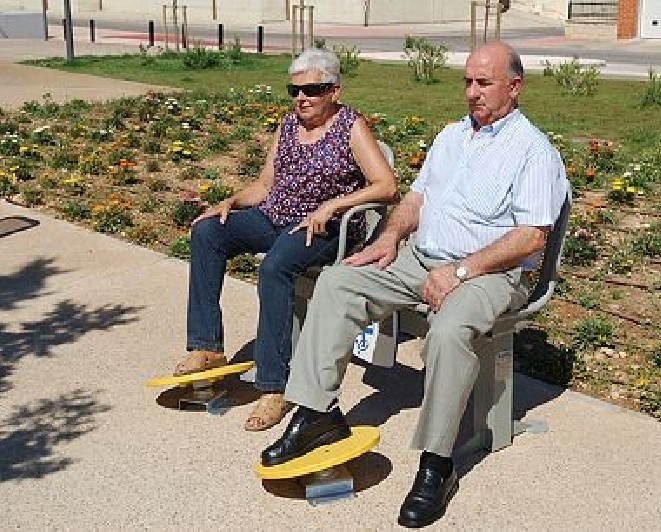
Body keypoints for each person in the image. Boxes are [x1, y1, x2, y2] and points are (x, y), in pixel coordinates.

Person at [260, 41, 569, 527]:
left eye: (483, 83)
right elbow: (414, 200)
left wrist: (460, 271)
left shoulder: (532, 151)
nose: (471, 93)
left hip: (490, 273)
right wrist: (389, 238)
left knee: (448, 331)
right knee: (340, 282)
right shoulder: (451, 136)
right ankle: (317, 410)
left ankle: (436, 464)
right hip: (420, 258)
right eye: (467, 81)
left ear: (514, 86)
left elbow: (530, 235)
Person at [172, 49, 397, 432]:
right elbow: (264, 185)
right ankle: (206, 346)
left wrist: (333, 206)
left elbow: (387, 186)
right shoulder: (289, 125)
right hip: (274, 216)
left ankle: (274, 385)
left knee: (275, 267)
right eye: (294, 90)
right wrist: (231, 201)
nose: (301, 98)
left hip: (322, 229)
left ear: (334, 90)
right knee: (207, 231)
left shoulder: (351, 126)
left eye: (312, 89)